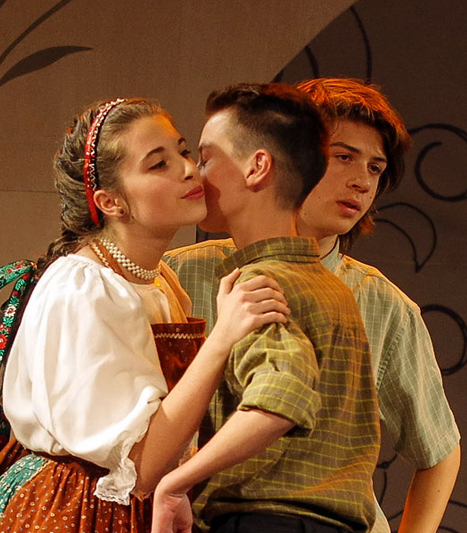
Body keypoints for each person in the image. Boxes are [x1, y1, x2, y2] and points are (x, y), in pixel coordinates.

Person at [0, 98, 290, 533]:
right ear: (111, 202)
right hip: (76, 510)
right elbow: (141, 464)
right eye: (158, 164)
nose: (189, 170)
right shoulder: (83, 290)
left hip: (134, 505)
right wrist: (223, 337)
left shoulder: (160, 279)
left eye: (184, 152)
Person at [162, 78, 461, 532]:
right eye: (343, 157)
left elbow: (438, 449)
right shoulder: (181, 275)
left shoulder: (383, 304)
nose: (361, 181)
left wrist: (176, 483)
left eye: (376, 168)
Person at [152, 83, 381, 533]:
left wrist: (176, 483)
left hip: (266, 520)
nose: (195, 174)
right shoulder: (327, 283)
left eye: (206, 158)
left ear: (257, 167)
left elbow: (282, 396)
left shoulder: (260, 283)